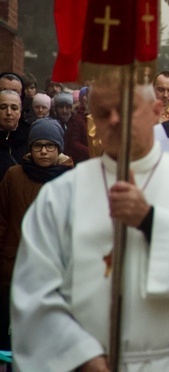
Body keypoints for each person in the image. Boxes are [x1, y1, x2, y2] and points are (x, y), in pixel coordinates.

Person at [11, 80, 169, 371]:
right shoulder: (61, 195)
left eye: (127, 109)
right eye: (104, 112)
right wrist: (80, 354)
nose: (115, 120)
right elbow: (34, 290)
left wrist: (149, 220)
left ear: (157, 111)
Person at [0, 118, 74, 353]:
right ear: (30, 148)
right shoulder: (14, 176)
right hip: (15, 267)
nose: (43, 151)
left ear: (59, 148)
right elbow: (2, 219)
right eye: (37, 145)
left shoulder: (70, 179)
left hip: (55, 271)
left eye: (50, 145)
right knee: (13, 341)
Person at [0, 90, 30, 181]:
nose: (9, 112)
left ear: (20, 112)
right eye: (3, 107)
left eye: (14, 108)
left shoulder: (31, 137)